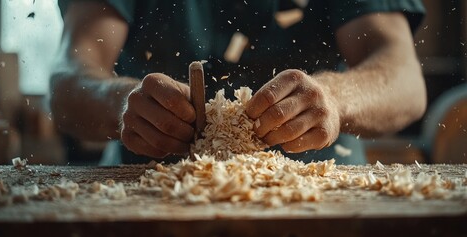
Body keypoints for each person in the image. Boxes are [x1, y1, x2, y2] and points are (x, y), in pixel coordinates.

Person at [51, 0, 426, 165]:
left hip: (316, 191)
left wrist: (336, 97)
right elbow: (70, 76)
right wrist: (119, 101)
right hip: (149, 185)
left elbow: (404, 78)